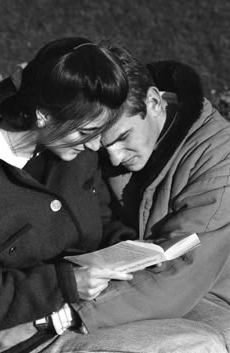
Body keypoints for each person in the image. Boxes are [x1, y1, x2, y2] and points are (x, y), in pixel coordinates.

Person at [41, 44, 230, 353]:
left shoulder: (219, 160)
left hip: (202, 297)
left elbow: (181, 271)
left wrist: (62, 318)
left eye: (122, 138)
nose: (113, 158)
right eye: (101, 146)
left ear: (154, 102)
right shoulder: (99, 129)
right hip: (117, 290)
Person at [0, 37, 139, 352]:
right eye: (86, 132)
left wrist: (131, 249)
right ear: (43, 115)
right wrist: (64, 283)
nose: (96, 146)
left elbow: (101, 219)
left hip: (86, 313)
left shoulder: (74, 155)